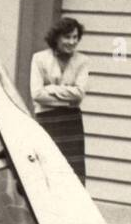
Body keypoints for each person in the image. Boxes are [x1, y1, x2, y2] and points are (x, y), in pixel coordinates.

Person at [29, 16, 90, 183]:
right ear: (56, 38)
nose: (72, 42)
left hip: (71, 122)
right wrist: (67, 98)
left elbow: (79, 94)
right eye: (67, 37)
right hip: (47, 120)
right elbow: (36, 94)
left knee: (73, 171)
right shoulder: (39, 59)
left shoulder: (83, 61)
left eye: (75, 37)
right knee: (47, 168)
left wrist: (50, 89)